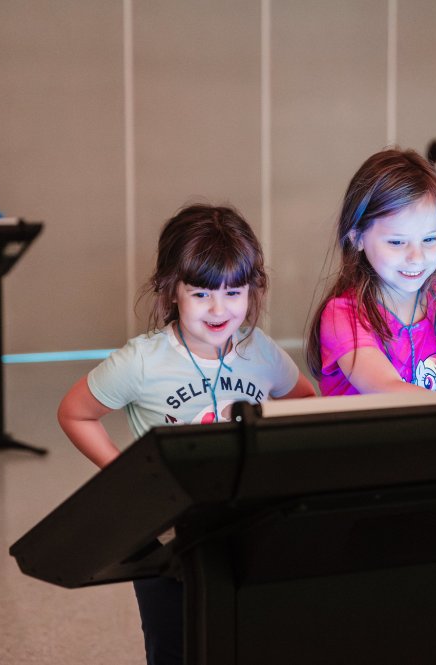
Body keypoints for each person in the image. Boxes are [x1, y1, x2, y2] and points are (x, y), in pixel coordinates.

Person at [57, 204, 316, 665]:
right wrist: (129, 475)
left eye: (234, 292)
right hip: (166, 542)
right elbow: (75, 413)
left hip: (244, 530)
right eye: (201, 294)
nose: (220, 310)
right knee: (175, 648)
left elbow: (302, 399)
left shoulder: (261, 350)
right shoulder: (141, 361)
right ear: (170, 290)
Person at [306, 148, 436, 396]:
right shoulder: (342, 315)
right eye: (397, 242)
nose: (416, 257)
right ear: (356, 237)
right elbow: (389, 391)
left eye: (430, 239)